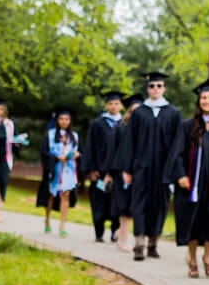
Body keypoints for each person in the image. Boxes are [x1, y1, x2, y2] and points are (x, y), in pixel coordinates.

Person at [165, 80, 209, 278]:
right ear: (199, 101)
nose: (207, 101)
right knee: (192, 221)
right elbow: (177, 153)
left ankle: (207, 257)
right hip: (192, 184)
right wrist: (181, 175)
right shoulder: (187, 126)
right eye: (204, 98)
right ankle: (191, 258)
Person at [120, 72, 181, 261]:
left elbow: (177, 145)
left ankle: (153, 243)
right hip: (141, 167)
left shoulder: (173, 113)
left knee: (160, 205)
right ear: (147, 88)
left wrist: (173, 170)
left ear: (164, 88)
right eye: (152, 86)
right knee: (139, 204)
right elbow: (129, 142)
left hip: (164, 169)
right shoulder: (139, 112)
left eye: (159, 86)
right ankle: (139, 244)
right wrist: (127, 168)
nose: (155, 89)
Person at [80, 91, 125, 243]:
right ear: (106, 105)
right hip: (99, 172)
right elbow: (90, 147)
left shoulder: (124, 124)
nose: (113, 106)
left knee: (116, 202)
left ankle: (115, 231)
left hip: (116, 172)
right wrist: (91, 169)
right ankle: (98, 232)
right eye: (111, 103)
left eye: (116, 103)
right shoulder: (97, 124)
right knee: (98, 203)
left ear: (121, 105)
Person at [106, 95, 143, 253]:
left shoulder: (146, 131)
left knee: (137, 206)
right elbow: (112, 152)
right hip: (122, 172)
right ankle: (123, 237)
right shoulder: (121, 129)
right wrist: (109, 173)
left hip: (140, 172)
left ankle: (131, 237)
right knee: (125, 206)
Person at [37, 108, 79, 237]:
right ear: (57, 120)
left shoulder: (74, 136)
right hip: (54, 169)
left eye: (66, 119)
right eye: (61, 119)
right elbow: (44, 151)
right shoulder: (50, 134)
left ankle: (62, 225)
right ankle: (47, 220)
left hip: (68, 169)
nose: (64, 121)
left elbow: (78, 150)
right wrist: (55, 157)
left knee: (65, 195)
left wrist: (76, 154)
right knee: (51, 195)